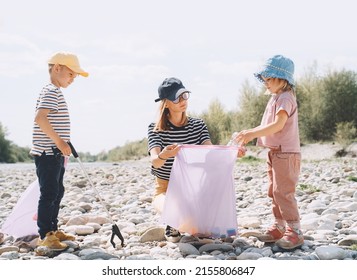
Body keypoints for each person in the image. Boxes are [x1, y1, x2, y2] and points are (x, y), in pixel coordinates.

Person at [234, 55, 304, 250]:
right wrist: (247, 134)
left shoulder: (286, 98)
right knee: (273, 191)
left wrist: (252, 133)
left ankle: (295, 231)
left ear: (283, 79)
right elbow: (268, 125)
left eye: (269, 79)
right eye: (264, 79)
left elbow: (278, 124)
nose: (266, 83)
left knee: (284, 192)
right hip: (275, 152)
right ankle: (280, 226)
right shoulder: (276, 98)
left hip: (286, 153)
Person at [30, 52, 88, 250]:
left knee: (57, 191)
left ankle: (53, 230)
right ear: (57, 68)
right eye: (71, 74)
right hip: (47, 152)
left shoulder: (55, 91)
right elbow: (40, 118)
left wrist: (63, 144)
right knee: (49, 193)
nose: (73, 79)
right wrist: (59, 142)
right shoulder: (50, 91)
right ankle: (45, 235)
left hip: (55, 153)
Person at [147, 77, 213, 242]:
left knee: (202, 229)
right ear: (166, 103)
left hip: (192, 187)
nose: (182, 101)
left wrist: (233, 151)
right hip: (165, 188)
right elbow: (155, 160)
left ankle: (181, 219)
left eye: (184, 95)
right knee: (174, 208)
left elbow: (210, 151)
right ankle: (172, 222)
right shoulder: (155, 128)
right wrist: (165, 154)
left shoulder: (198, 125)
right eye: (177, 98)